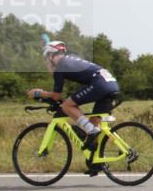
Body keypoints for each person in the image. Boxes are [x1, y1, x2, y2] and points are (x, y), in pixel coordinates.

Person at [26, 40, 120, 175]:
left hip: (100, 84)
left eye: (47, 59)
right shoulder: (71, 59)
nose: (47, 63)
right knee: (95, 125)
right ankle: (97, 162)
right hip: (111, 84)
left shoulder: (60, 66)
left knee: (67, 105)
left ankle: (90, 131)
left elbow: (56, 96)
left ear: (51, 56)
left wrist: (38, 93)